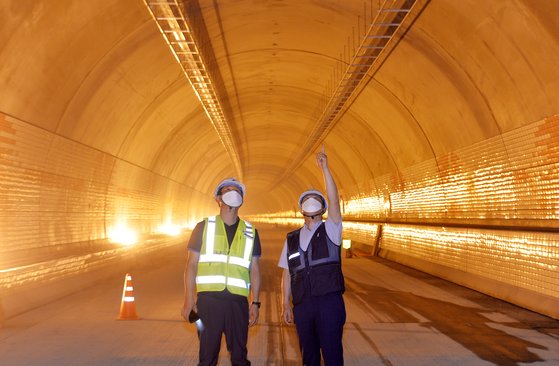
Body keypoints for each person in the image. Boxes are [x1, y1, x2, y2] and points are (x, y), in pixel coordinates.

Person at [181, 178, 262, 366]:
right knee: (207, 357)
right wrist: (189, 299)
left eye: (236, 190)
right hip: (209, 302)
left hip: (238, 303)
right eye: (227, 190)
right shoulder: (203, 227)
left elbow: (255, 269)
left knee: (239, 358)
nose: (232, 192)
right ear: (218, 198)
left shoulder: (251, 231)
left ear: (242, 199)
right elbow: (191, 265)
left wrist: (255, 303)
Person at [278, 148, 346, 365]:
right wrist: (285, 304)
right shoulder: (291, 239)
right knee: (308, 357)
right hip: (303, 304)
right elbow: (287, 274)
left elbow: (335, 201)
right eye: (306, 199)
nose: (311, 199)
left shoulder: (331, 230)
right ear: (301, 209)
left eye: (316, 198)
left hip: (329, 302)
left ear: (323, 208)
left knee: (333, 355)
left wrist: (325, 168)